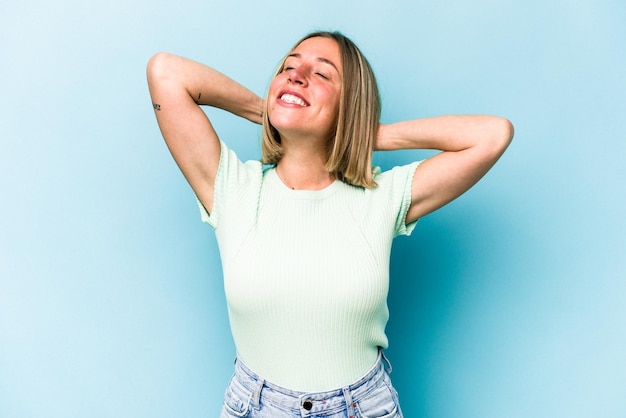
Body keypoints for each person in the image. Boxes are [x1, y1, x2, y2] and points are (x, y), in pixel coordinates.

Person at [147, 31, 513, 418]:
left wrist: (370, 133)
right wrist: (271, 110)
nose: (296, 75)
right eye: (288, 67)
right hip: (256, 407)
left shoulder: (383, 198)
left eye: (321, 74)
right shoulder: (232, 188)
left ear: (350, 106)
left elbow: (492, 135)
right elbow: (166, 73)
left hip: (363, 407)